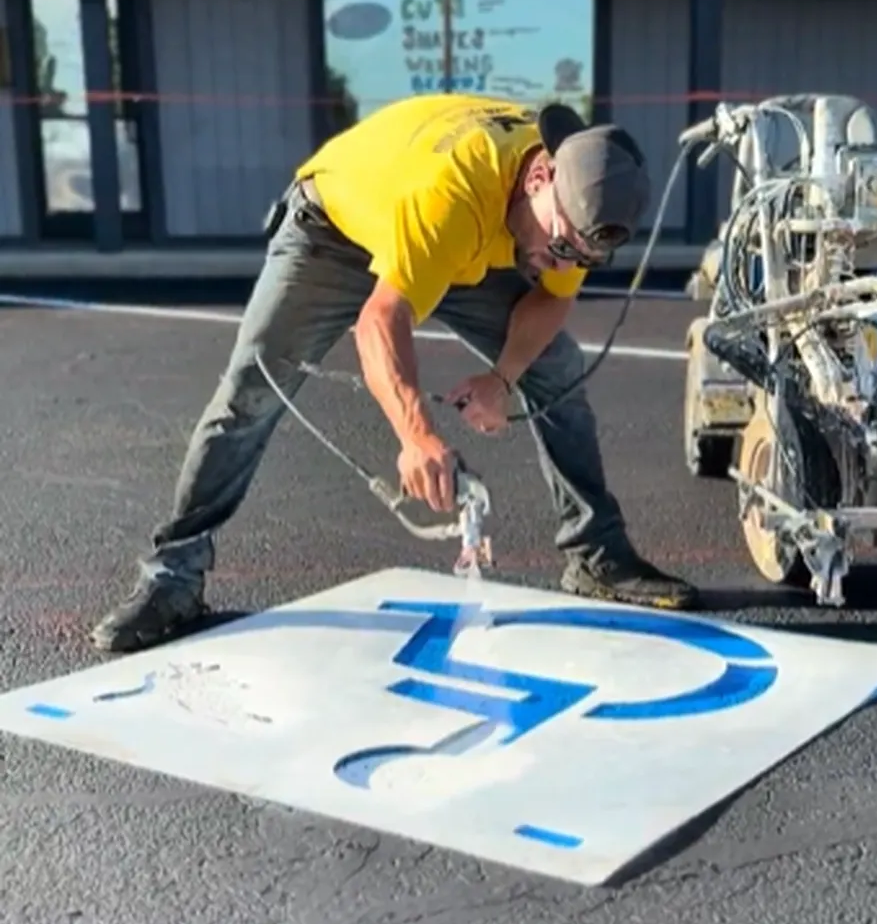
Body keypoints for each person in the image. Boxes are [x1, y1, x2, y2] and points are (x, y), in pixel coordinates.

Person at [90, 92, 699, 654]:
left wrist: (503, 379)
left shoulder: (574, 201)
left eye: (583, 258)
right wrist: (417, 435)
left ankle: (597, 554)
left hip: (467, 240)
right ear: (538, 177)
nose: (563, 263)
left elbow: (553, 296)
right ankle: (173, 577)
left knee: (555, 362)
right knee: (250, 391)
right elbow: (380, 319)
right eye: (562, 247)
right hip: (334, 234)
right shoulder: (454, 193)